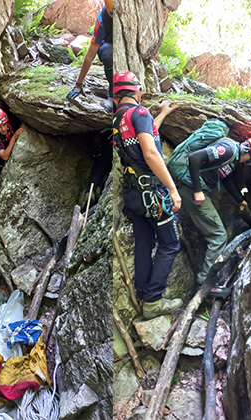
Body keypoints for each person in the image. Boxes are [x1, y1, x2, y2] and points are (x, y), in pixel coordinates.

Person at [112, 70, 183, 320]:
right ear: (138, 92)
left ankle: (143, 294)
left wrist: (161, 115)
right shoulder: (140, 113)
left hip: (133, 194)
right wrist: (172, 189)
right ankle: (153, 300)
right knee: (170, 243)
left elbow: (145, 139)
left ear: (116, 96)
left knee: (144, 243)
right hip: (151, 192)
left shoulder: (119, 118)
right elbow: (151, 152)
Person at [179, 134, 251, 286]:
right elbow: (194, 158)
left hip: (196, 190)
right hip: (192, 189)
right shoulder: (229, 150)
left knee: (216, 234)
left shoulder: (234, 159)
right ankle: (205, 282)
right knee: (219, 236)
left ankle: (207, 278)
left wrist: (239, 199)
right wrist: (197, 190)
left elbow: (226, 179)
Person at [65, 0, 113, 110]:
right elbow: (90, 55)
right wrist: (78, 85)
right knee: (110, 55)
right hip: (110, 46)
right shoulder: (103, 21)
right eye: (112, 14)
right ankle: (113, 95)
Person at [0, 108, 24, 172]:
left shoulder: (10, 124)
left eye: (4, 125)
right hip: (4, 166)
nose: (3, 129)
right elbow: (5, 156)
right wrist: (14, 137)